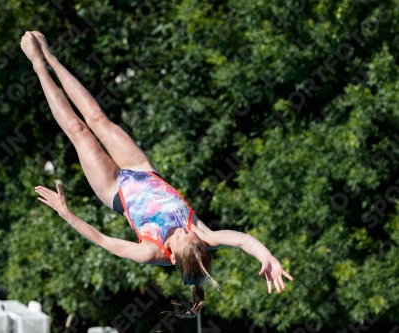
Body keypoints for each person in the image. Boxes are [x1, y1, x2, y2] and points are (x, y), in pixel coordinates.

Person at [20, 31, 293, 317]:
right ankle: (50, 56)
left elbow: (104, 241)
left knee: (79, 132)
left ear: (171, 255)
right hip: (143, 171)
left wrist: (67, 213)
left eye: (183, 236)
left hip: (115, 191)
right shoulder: (203, 237)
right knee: (98, 118)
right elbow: (243, 240)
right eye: (192, 233)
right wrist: (266, 256)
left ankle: (38, 65)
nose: (188, 229)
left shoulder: (149, 253)